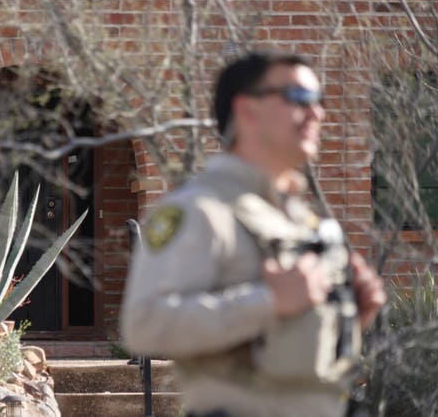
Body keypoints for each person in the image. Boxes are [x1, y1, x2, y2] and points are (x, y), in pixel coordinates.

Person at [120, 50, 386, 417]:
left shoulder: (301, 220)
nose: (316, 113)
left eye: (319, 101)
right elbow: (144, 326)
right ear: (246, 109)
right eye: (298, 98)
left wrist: (347, 317)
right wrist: (266, 302)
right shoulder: (197, 211)